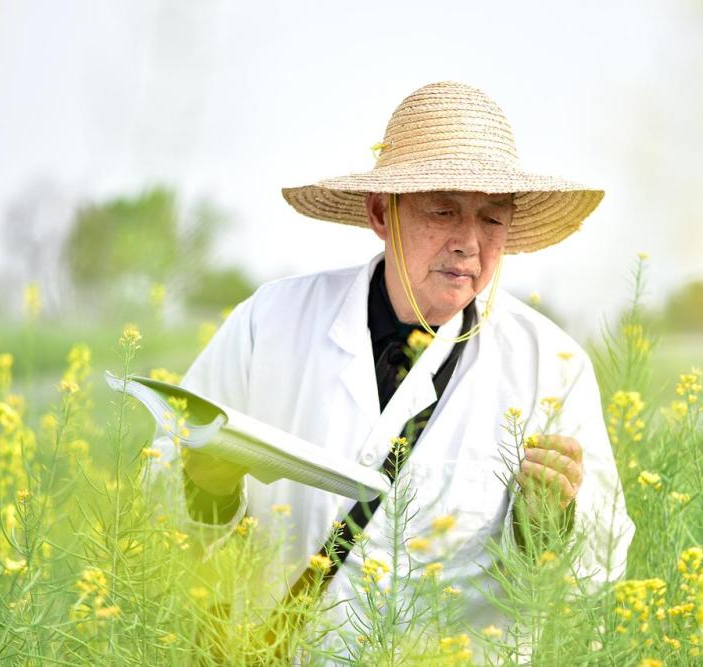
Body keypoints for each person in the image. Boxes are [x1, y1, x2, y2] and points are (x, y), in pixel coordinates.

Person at [146, 81, 635, 655]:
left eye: (492, 220)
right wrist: (207, 486)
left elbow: (594, 575)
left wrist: (544, 524)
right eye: (444, 210)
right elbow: (161, 513)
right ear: (382, 212)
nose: (469, 245)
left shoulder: (550, 365)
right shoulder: (269, 323)